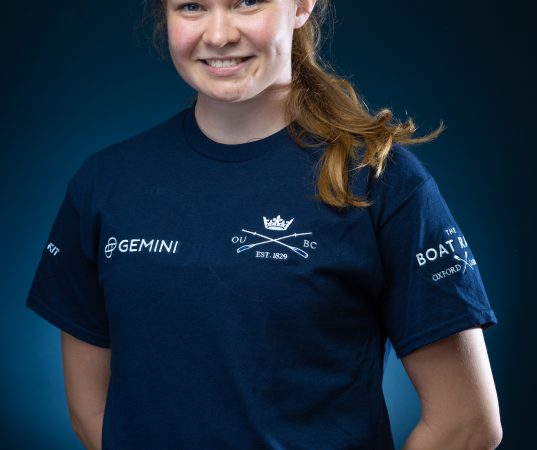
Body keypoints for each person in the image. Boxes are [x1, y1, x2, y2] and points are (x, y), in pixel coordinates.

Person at [25, 0, 503, 449]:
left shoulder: (379, 179)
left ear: (301, 6)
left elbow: (466, 423)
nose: (218, 35)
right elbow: (94, 414)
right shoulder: (105, 182)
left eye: (247, 1)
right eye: (191, 6)